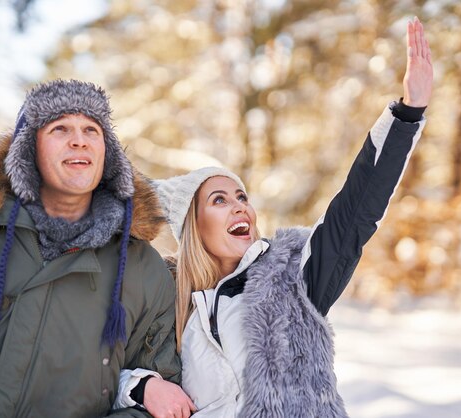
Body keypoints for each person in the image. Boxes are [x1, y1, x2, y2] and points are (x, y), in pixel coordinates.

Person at [116, 17, 433, 417]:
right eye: (219, 200)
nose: (239, 207)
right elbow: (101, 375)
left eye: (241, 196)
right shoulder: (169, 306)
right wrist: (143, 387)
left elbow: (355, 211)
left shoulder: (292, 278)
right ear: (192, 228)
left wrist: (407, 115)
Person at [0, 79, 194, 417]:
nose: (79, 140)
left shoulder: (142, 269)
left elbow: (160, 403)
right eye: (60, 128)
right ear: (27, 150)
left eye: (92, 130)